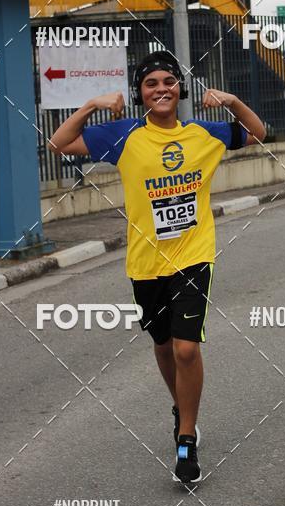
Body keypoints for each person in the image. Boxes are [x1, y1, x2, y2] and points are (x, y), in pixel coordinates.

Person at [48, 50, 266, 483]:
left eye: (169, 81)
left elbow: (257, 134)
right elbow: (59, 144)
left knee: (186, 349)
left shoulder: (203, 133)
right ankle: (181, 407)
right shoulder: (124, 135)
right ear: (140, 94)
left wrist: (233, 101)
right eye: (151, 83)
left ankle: (186, 439)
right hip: (145, 264)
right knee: (164, 346)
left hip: (193, 256)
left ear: (180, 89)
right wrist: (91, 105)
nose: (161, 89)